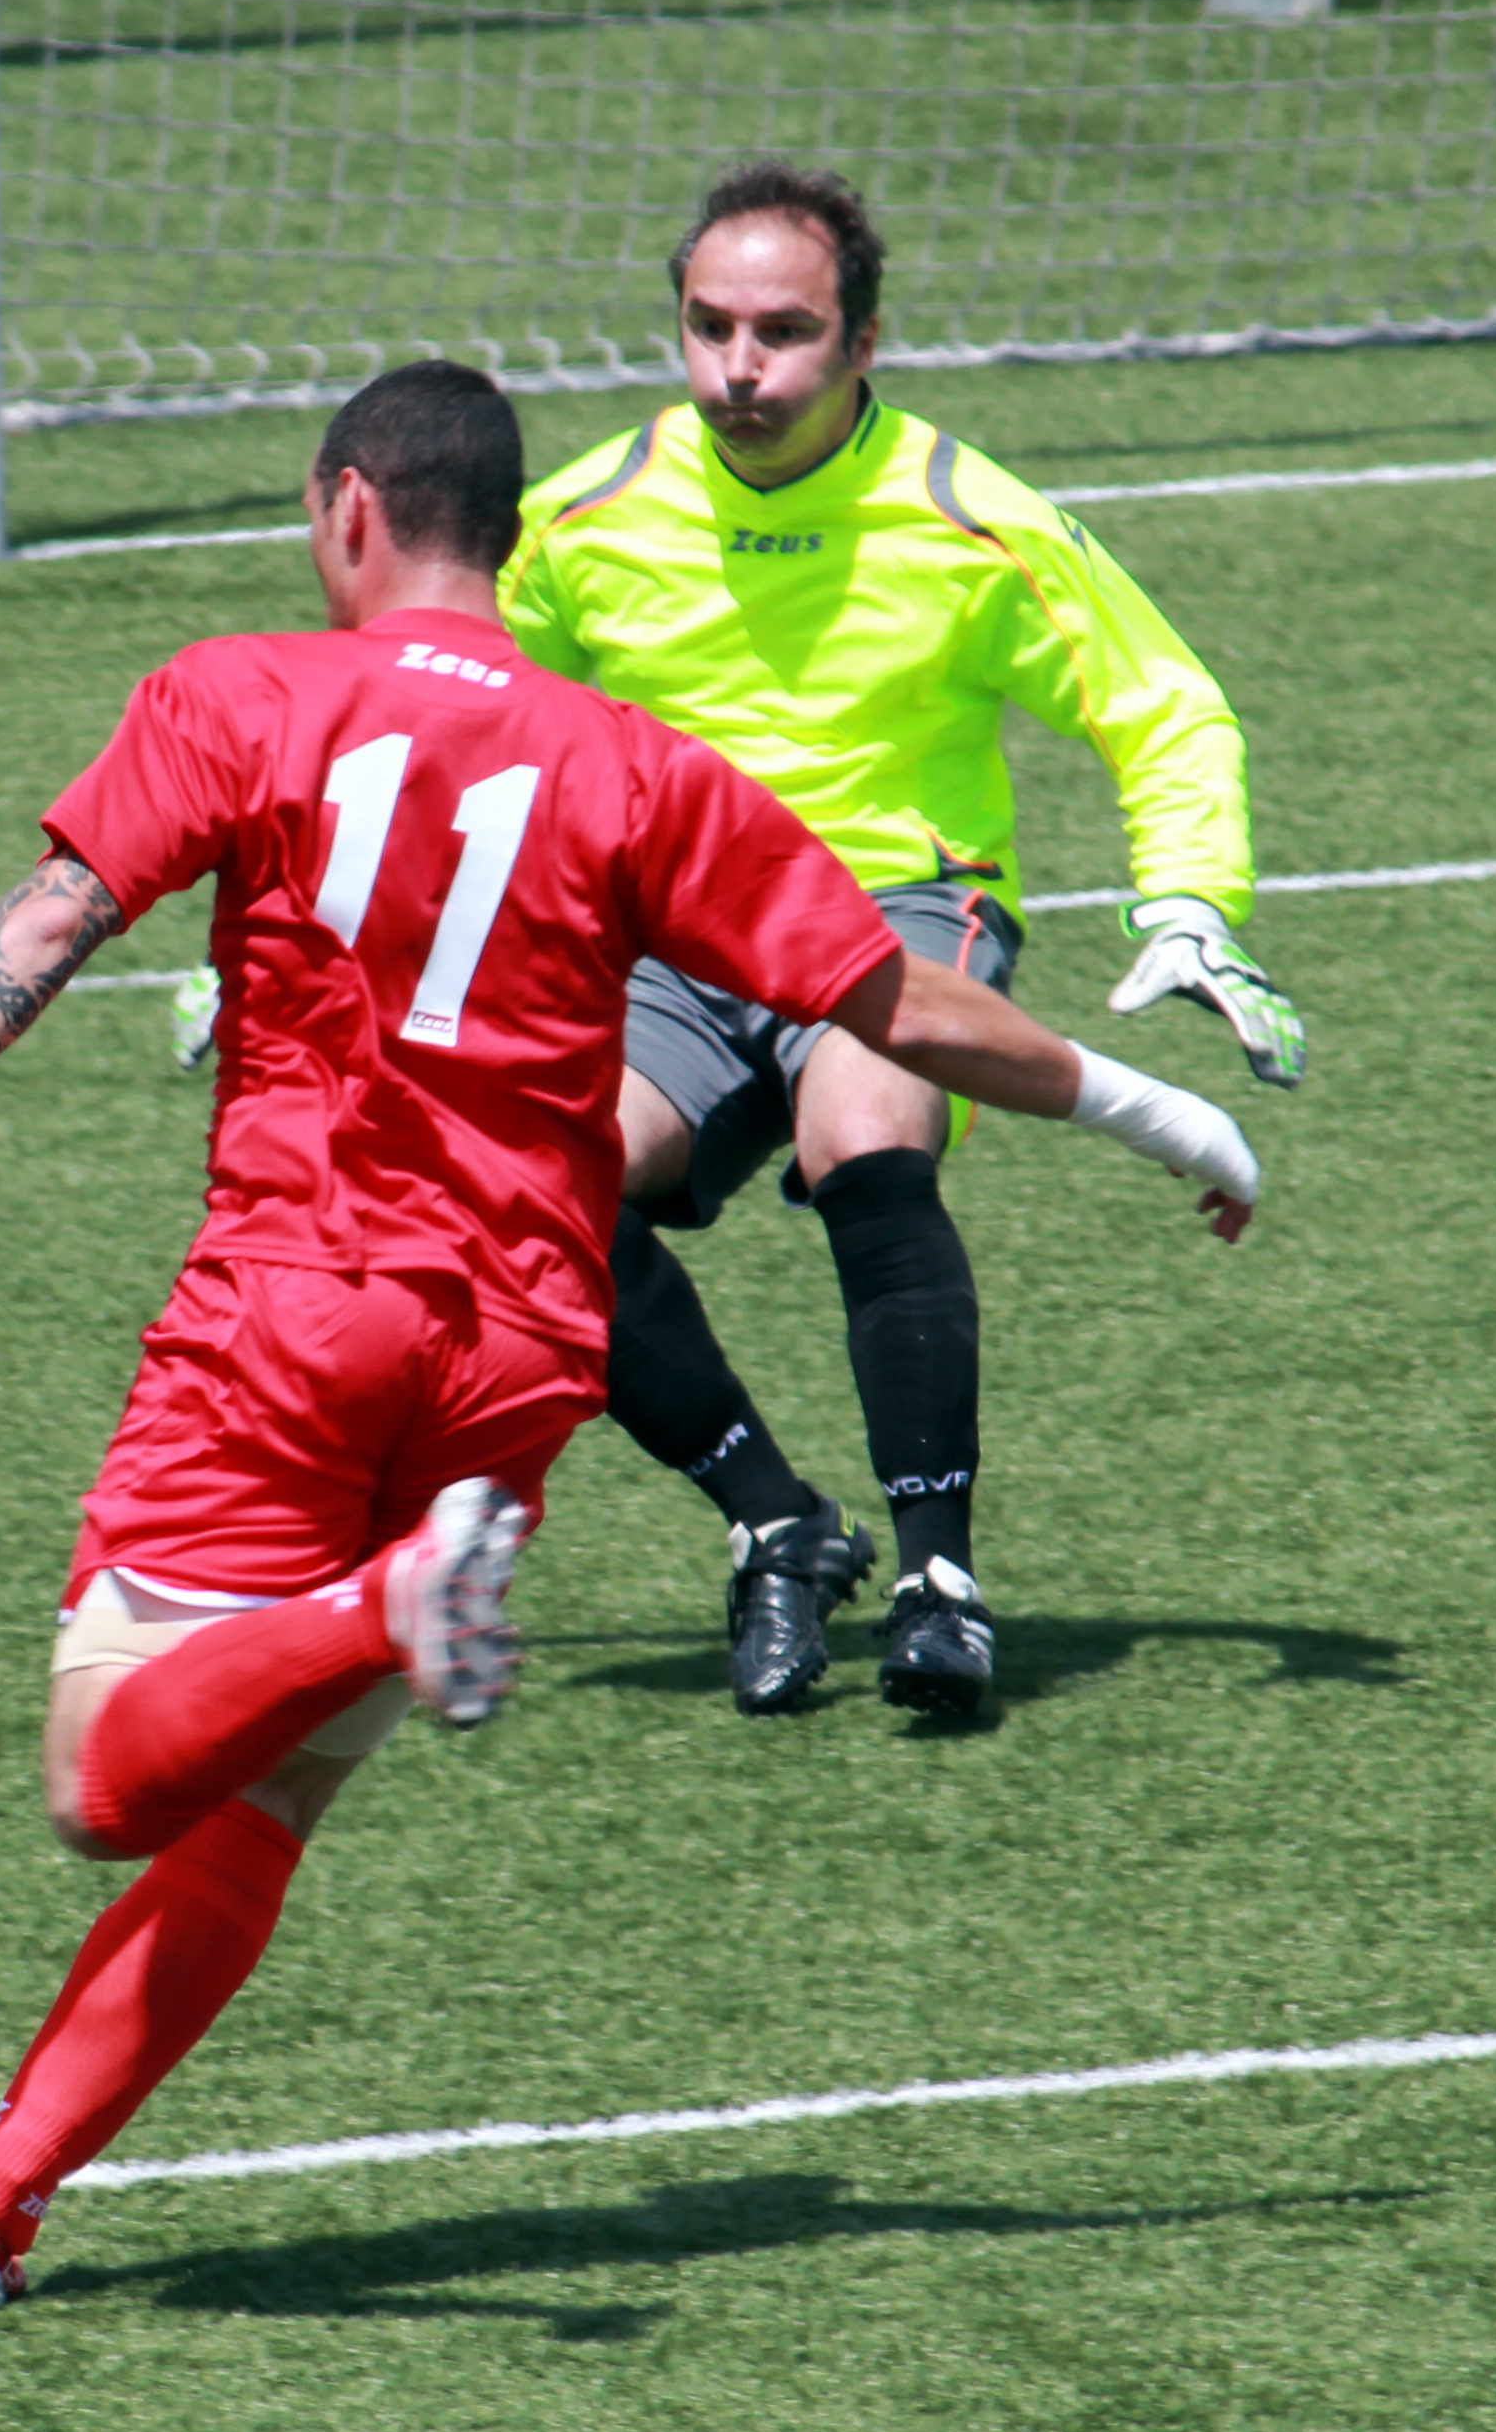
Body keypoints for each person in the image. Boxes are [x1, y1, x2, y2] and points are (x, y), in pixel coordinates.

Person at [0, 361, 1258, 2310]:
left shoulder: (239, 694)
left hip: (291, 1310)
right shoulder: (638, 767)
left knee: (104, 1782)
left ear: (347, 510)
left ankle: (378, 1611)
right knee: (268, 1799)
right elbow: (894, 1002)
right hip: (520, 1360)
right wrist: (1160, 1114)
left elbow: (41, 928)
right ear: (510, 533)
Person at [498, 161, 1308, 1719]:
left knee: (867, 1134)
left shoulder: (969, 517)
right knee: (539, 1184)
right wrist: (298, 930)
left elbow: (1162, 706)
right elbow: (420, 717)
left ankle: (943, 1582)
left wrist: (1191, 902)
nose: (741, 367)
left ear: (864, 343)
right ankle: (777, 1525)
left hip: (897, 908)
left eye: (784, 333)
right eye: (710, 328)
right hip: (674, 938)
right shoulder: (585, 521)